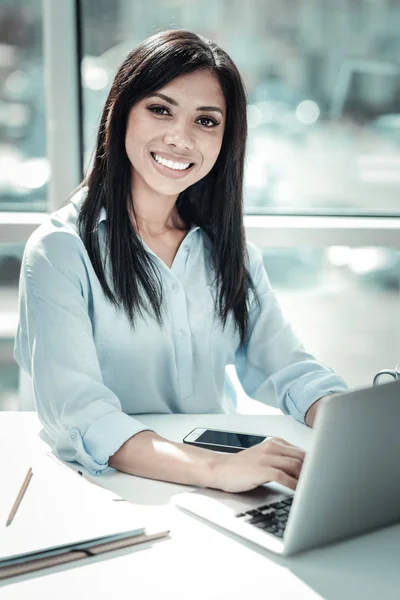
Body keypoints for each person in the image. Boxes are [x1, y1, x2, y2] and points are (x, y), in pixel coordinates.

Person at [14, 30, 348, 494]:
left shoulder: (228, 250)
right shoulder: (59, 250)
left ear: (226, 137)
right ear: (120, 112)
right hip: (113, 488)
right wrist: (214, 470)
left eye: (206, 121)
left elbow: (289, 369)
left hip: (219, 480)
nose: (181, 138)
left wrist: (354, 428)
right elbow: (82, 414)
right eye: (160, 109)